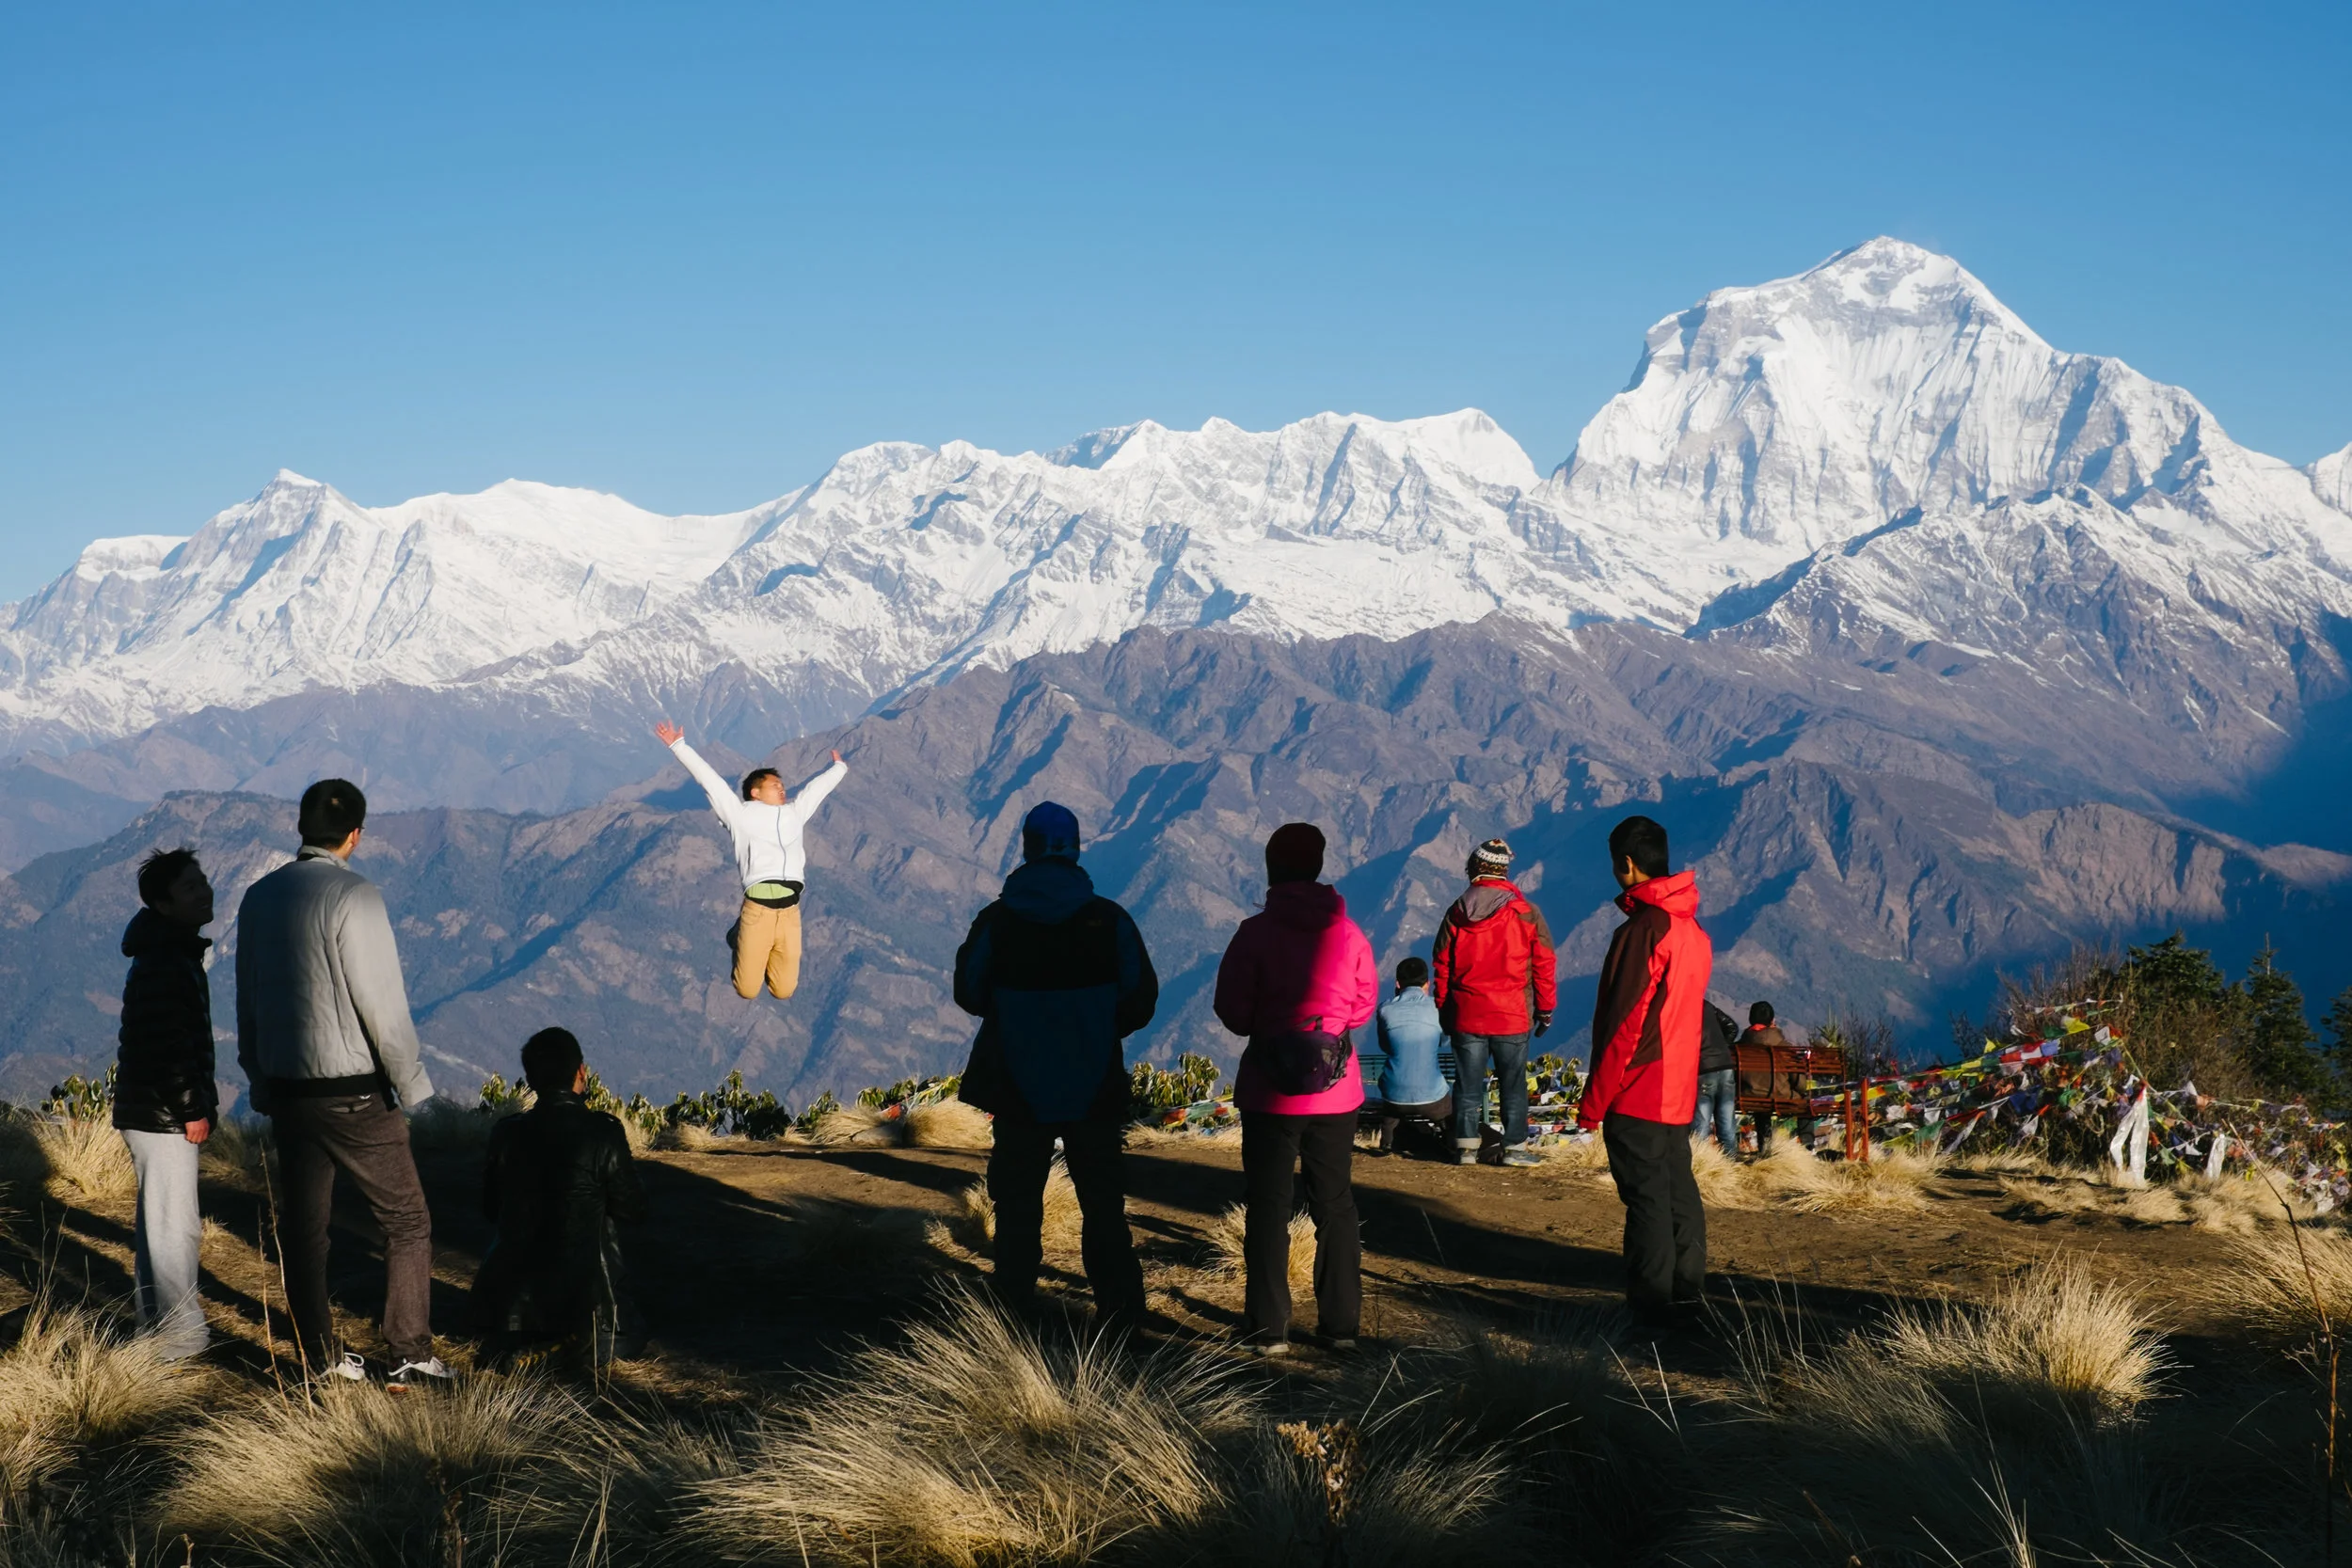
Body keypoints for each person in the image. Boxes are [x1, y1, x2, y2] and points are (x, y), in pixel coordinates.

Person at [234, 778, 446, 1387]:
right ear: (356, 833)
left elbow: (247, 997)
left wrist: (258, 1075)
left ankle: (320, 1356)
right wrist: (412, 1083)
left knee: (303, 1230)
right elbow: (381, 1001)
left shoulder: (258, 897)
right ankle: (408, 1349)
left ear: (302, 829)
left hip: (290, 1090)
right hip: (355, 1090)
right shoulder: (356, 896)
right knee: (406, 1218)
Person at [954, 802, 1156, 1334]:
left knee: (1017, 1204)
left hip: (1017, 1087)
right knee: (1103, 1206)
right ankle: (1122, 1318)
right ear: (1076, 848)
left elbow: (969, 993)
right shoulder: (1110, 921)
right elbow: (1141, 1000)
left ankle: (1015, 1312)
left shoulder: (997, 922)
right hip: (1093, 1085)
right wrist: (1096, 1027)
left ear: (1026, 848)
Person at [1213, 822, 1377, 1354]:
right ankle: (1341, 1326)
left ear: (1271, 868)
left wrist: (1274, 1023)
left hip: (1269, 1090)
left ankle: (1268, 1328)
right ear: (1319, 865)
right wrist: (1324, 1031)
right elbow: (1362, 1004)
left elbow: (1233, 1012)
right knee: (1335, 1202)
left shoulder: (1253, 933)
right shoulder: (1350, 935)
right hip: (1336, 1090)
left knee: (1268, 1204)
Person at [1576, 815, 1713, 1325]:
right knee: (1679, 1189)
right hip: (1678, 1088)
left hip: (1638, 1090)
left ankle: (1650, 1306)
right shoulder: (1691, 930)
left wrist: (1593, 1105)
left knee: (1647, 1202)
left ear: (1626, 865)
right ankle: (1686, 1290)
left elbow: (1624, 1025)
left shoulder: (1644, 930)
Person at [472, 1028, 647, 1367]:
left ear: (529, 1079)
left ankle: (539, 1344)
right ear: (581, 1072)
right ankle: (564, 1345)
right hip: (592, 1307)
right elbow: (635, 1209)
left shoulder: (506, 1133)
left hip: (509, 1311)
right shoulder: (603, 1132)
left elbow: (490, 1209)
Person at [112, 847, 221, 1360]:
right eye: (191, 888)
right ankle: (182, 1336)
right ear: (163, 903)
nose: (205, 892)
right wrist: (191, 1108)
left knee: (158, 1225)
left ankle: (158, 1330)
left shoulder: (165, 952)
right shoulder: (166, 961)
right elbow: (168, 1047)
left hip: (149, 1111)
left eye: (203, 882)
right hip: (162, 1114)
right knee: (175, 1227)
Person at [655, 721, 847, 1002]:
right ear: (755, 792)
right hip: (757, 911)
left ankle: (758, 947)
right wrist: (679, 746)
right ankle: (739, 935)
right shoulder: (739, 815)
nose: (782, 789)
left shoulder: (795, 812)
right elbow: (710, 781)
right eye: (775, 785)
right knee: (746, 989)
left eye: (782, 785)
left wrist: (839, 768)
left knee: (783, 991)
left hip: (791, 913)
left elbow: (817, 790)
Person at [1430, 837, 1556, 1168]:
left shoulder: (1456, 912)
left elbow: (1442, 965)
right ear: (1503, 871)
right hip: (1512, 1014)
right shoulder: (1527, 913)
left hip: (1467, 1013)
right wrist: (1544, 1009)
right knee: (1513, 1085)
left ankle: (1466, 1149)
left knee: (1468, 1086)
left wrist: (1443, 1008)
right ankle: (1514, 1148)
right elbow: (1543, 963)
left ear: (1474, 868)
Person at [1372, 958, 1453, 1154]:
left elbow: (1385, 1045)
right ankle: (1451, 1142)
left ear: (1397, 984)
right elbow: (1443, 1041)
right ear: (1428, 984)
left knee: (1392, 1100)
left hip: (1394, 1097)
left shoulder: (1385, 1009)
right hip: (1432, 1097)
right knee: (1448, 1113)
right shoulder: (1437, 1008)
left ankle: (1387, 1142)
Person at [1739, 1002, 1813, 1155]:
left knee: (1760, 1105)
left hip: (1749, 1096)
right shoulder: (1784, 1047)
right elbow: (1799, 1082)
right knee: (1805, 1103)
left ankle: (1764, 1147)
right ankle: (1808, 1148)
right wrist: (1800, 1091)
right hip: (1781, 1096)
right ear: (1772, 1022)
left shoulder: (1740, 1047)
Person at [1691, 1000, 1741, 1155]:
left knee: (1701, 1125)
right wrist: (1720, 1047)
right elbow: (1732, 1026)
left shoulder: (1679, 1006)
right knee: (1727, 1124)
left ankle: (1703, 1163)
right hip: (1725, 1065)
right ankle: (1731, 1163)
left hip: (1704, 1068)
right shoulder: (1704, 1004)